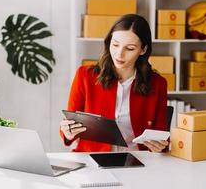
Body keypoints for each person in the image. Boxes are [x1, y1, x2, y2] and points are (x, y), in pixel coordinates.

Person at [60, 14, 168, 153]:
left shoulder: (158, 84)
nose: (119, 54)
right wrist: (68, 131)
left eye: (129, 48)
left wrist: (160, 146)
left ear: (143, 50)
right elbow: (68, 128)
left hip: (137, 160)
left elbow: (162, 136)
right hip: (92, 159)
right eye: (115, 44)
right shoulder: (85, 76)